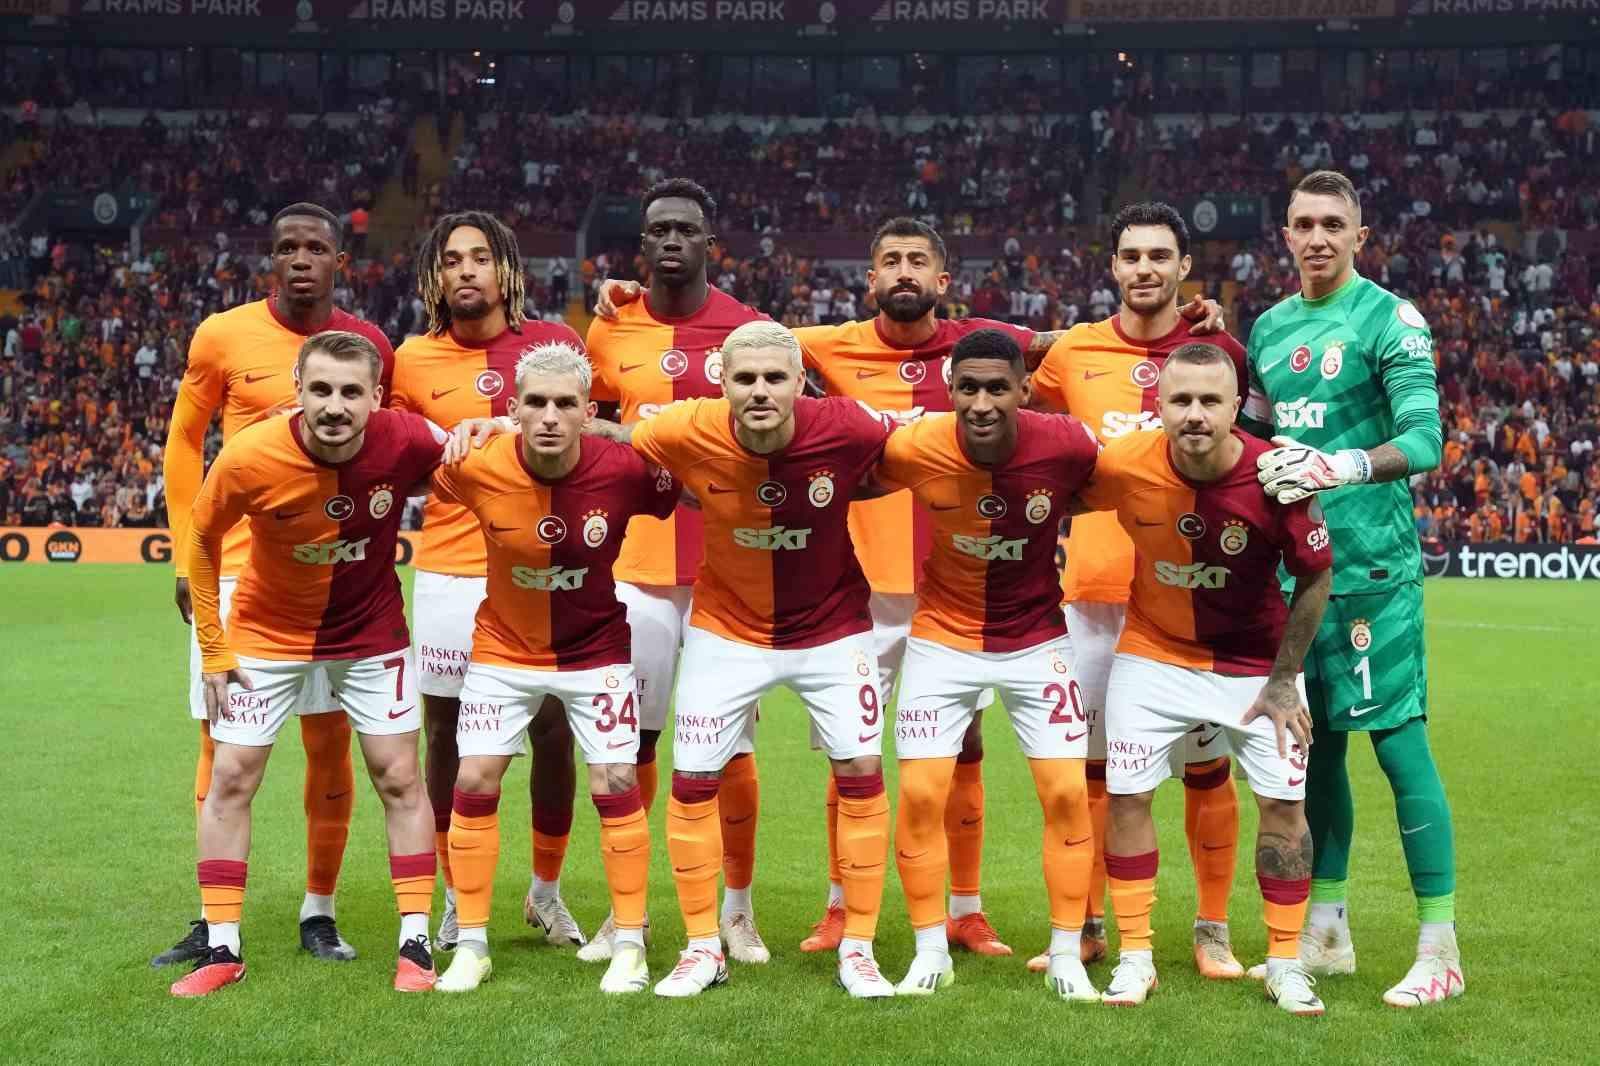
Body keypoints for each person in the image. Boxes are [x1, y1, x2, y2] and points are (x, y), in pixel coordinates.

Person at [598, 214, 1231, 957]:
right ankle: (842, 906)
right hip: (857, 595)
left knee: (964, 750)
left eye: (918, 261)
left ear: (942, 279)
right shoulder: (825, 344)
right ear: (870, 279)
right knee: (850, 754)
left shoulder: (984, 345)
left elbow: (1081, 342)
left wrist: (1192, 310)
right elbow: (739, 342)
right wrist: (639, 300)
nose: (904, 272)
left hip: (950, 592)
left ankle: (966, 909)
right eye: (891, 261)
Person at [589, 320, 898, 999]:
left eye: (775, 378)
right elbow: (620, 437)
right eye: (746, 379)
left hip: (833, 630)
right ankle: (703, 947)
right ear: (722, 383)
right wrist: (506, 428)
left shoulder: (847, 424)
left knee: (861, 770)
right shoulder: (687, 426)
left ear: (800, 383)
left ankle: (860, 949)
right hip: (726, 631)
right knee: (692, 778)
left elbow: (920, 443)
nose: (760, 391)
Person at [157, 202, 395, 969]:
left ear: (339, 262)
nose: (300, 259)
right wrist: (185, 552)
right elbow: (185, 439)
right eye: (287, 246)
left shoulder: (368, 346)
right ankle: (212, 919)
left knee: (329, 742)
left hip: (331, 577)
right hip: (237, 568)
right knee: (219, 741)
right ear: (270, 258)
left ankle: (319, 910)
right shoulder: (222, 335)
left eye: (315, 248)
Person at [174, 330, 447, 997]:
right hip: (267, 635)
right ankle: (222, 946)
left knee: (400, 777)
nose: (335, 405)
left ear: (376, 396)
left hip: (371, 635)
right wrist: (214, 646)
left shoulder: (408, 437)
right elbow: (202, 541)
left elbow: (475, 453)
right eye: (320, 389)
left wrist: (486, 429)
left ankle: (415, 943)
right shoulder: (250, 454)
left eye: (351, 392)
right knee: (232, 777)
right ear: (297, 389)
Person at [1244, 169, 1460, 1007]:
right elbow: (1253, 436)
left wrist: (1343, 466)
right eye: (1304, 223)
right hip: (1297, 575)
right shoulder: (1269, 327)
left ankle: (1440, 948)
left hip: (1372, 574)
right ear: (1286, 235)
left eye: (1334, 224)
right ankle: (1326, 933)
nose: (1318, 238)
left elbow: (1426, 438)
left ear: (1359, 237)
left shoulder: (1389, 318)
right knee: (1317, 750)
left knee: (1399, 746)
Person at [1075, 342, 1332, 1017]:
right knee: (1127, 797)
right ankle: (1135, 958)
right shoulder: (1123, 463)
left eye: (1210, 400)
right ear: (1157, 406)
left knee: (1285, 807)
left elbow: (1316, 577)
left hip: (1255, 666)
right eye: (1181, 400)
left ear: (1235, 406)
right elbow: (1054, 490)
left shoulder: (1276, 477)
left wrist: (1285, 679)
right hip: (1153, 653)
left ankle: (1285, 964)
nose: (1195, 413)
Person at [1026, 202, 1249, 977]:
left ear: (1184, 266)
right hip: (1092, 597)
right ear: (1113, 266)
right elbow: (1018, 413)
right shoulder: (1073, 351)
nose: (1145, 268)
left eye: (1160, 255)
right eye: (1131, 256)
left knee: (1206, 772)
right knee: (1093, 776)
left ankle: (1212, 930)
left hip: (1193, 598)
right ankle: (1088, 926)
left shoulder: (1214, 353)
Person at [426, 342, 680, 995]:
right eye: (534, 403)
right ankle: (471, 945)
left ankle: (630, 945)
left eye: (565, 404)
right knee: (474, 777)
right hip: (502, 651)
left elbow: (689, 478)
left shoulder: (624, 469)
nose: (548, 416)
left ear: (587, 412)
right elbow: (411, 460)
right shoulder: (475, 463)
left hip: (596, 651)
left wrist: (624, 432)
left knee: (616, 779)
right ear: (512, 409)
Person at [873, 329, 1101, 1000]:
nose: (981, 403)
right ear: (949, 390)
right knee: (920, 794)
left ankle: (1066, 954)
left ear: (1025, 390)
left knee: (1066, 794)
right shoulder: (914, 446)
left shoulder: (1068, 443)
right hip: (941, 641)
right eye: (967, 387)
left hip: (1038, 642)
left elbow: (1130, 480)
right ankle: (928, 953)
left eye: (997, 387)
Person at [580, 178, 770, 964]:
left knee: (732, 746)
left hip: (730, 568)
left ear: (709, 243)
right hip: (635, 565)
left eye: (685, 230)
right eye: (657, 230)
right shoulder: (609, 327)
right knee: (634, 743)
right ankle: (628, 915)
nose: (670, 242)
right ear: (641, 245)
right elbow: (587, 427)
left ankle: (738, 911)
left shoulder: (750, 331)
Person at [390, 210, 586, 953]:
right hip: (449, 567)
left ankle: (546, 891)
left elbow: (591, 438)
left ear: (506, 270)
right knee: (445, 733)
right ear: (434, 276)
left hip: (544, 564)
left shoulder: (554, 345)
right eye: (451, 260)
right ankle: (454, 895)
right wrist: (450, 445)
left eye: (479, 257)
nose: (465, 270)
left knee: (553, 729)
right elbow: (402, 463)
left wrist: (503, 430)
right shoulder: (411, 359)